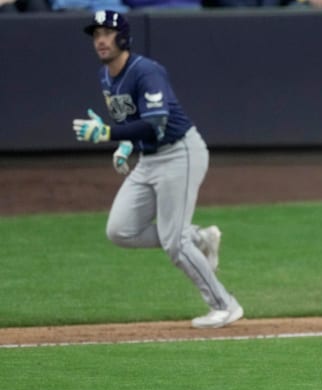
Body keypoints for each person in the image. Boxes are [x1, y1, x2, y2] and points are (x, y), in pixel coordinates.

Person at [72, 10, 243, 329]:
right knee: (120, 230)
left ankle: (225, 304)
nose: (101, 40)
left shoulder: (146, 71)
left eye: (107, 33)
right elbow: (130, 121)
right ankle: (199, 237)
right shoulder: (105, 76)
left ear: (122, 37)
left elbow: (154, 122)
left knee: (174, 243)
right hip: (149, 159)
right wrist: (125, 144)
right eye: (96, 35)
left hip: (181, 154)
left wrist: (109, 135)